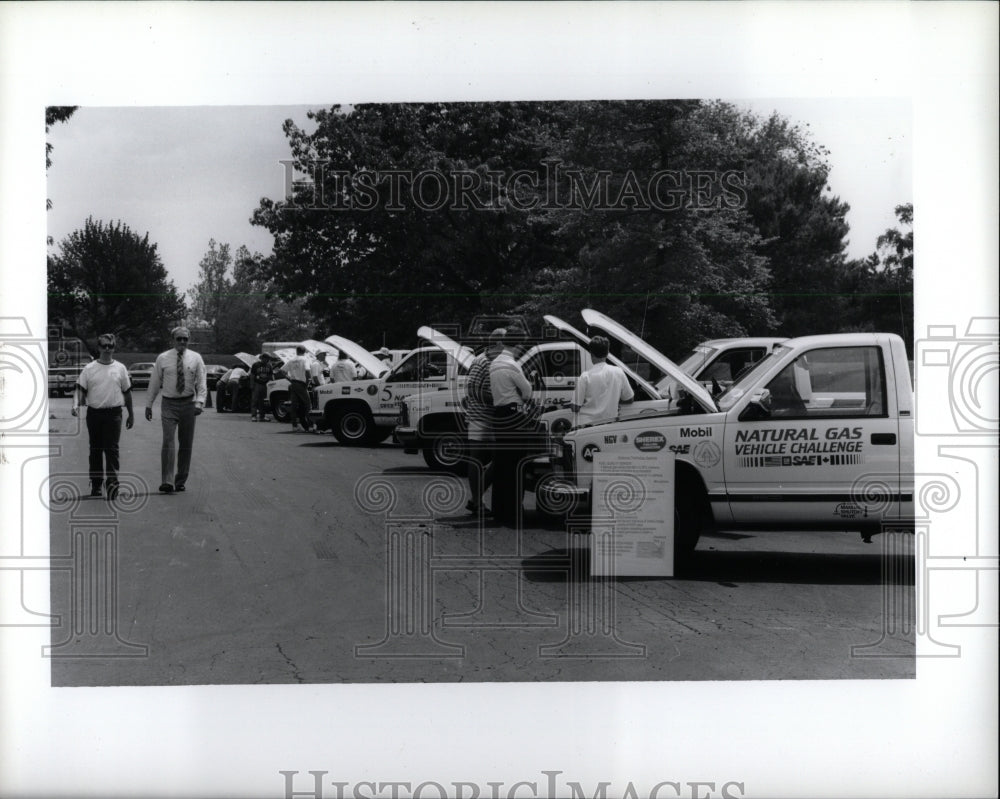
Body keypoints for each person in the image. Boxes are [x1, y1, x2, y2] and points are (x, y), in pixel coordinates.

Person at [144, 326, 207, 494]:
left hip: (188, 404)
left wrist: (200, 402)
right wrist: (149, 404)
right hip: (169, 404)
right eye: (179, 339)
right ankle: (167, 481)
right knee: (168, 441)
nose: (182, 342)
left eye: (185, 339)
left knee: (186, 443)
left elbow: (202, 382)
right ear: (173, 340)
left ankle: (180, 480)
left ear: (189, 340)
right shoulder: (163, 358)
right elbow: (155, 382)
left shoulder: (196, 358)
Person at [72, 333, 134, 499]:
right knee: (96, 449)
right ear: (99, 348)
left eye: (110, 346)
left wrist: (131, 414)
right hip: (95, 414)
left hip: (114, 414)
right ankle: (97, 483)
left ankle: (113, 483)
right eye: (104, 346)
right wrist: (75, 404)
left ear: (114, 348)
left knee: (112, 449)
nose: (107, 349)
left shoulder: (120, 368)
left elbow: (127, 393)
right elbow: (79, 388)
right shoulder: (89, 368)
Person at [488, 328, 535, 525]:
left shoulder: (495, 363)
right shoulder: (512, 365)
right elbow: (527, 391)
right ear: (518, 345)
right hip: (514, 415)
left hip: (499, 414)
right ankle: (514, 511)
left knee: (501, 463)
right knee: (517, 465)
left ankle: (499, 510)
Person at [464, 342, 500, 514]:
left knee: (498, 459)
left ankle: (476, 499)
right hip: (480, 416)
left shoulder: (492, 361)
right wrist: (496, 399)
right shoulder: (481, 361)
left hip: (490, 417)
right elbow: (471, 388)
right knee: (477, 459)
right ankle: (477, 501)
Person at [572, 335, 635, 426]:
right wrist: (613, 400)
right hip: (608, 426)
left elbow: (574, 407)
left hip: (585, 425)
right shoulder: (618, 372)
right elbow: (630, 399)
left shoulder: (585, 376)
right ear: (607, 353)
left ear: (591, 354)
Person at [279, 345, 315, 432]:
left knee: (294, 405)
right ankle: (310, 426)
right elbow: (307, 371)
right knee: (308, 405)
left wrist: (289, 379)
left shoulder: (291, 360)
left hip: (293, 383)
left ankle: (294, 425)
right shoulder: (305, 359)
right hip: (301, 384)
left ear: (297, 351)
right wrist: (308, 382)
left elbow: (282, 370)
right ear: (304, 351)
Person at [250, 352, 275, 421]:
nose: (268, 360)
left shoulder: (269, 366)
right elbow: (252, 375)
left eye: (268, 359)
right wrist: (252, 385)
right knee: (255, 400)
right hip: (257, 384)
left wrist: (272, 382)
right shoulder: (256, 365)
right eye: (267, 358)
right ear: (263, 358)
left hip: (265, 384)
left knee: (263, 401)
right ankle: (254, 416)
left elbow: (271, 375)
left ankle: (262, 416)